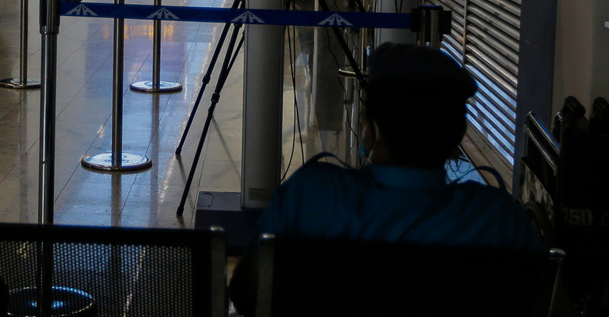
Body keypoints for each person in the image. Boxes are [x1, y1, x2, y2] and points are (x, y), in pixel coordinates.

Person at [229, 43, 543, 316]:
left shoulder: (308, 195)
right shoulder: (499, 219)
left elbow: (247, 295)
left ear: (370, 129)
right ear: (455, 138)